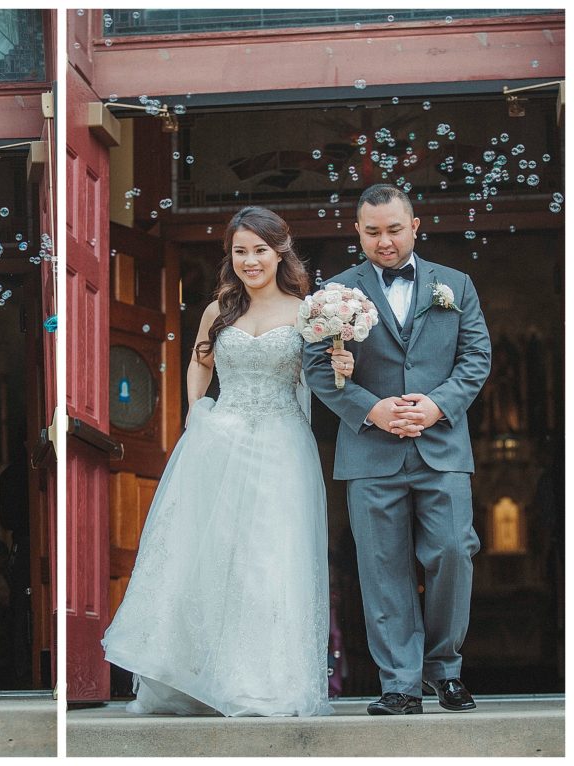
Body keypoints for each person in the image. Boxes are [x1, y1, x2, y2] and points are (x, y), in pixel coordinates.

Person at [102, 207, 352, 717]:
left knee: (268, 560)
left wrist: (343, 368)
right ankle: (199, 677)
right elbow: (200, 361)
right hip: (222, 442)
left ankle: (262, 683)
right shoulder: (220, 310)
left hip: (282, 445)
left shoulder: (308, 311)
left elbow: (324, 384)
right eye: (240, 251)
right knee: (211, 556)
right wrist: (197, 412)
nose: (250, 260)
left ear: (280, 251)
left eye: (259, 249)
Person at [303, 184, 491, 715]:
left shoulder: (455, 285)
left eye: (393, 229)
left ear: (414, 225)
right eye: (372, 232)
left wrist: (436, 406)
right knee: (382, 567)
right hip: (370, 452)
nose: (384, 241)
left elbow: (476, 357)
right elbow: (319, 367)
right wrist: (370, 408)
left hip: (442, 447)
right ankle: (400, 684)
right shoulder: (336, 294)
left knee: (455, 551)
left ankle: (445, 669)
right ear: (357, 232)